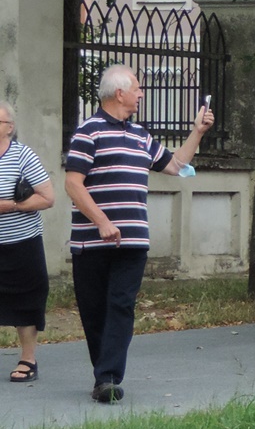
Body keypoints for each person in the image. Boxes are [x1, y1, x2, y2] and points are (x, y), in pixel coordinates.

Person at [65, 64, 213, 402]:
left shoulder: (140, 134)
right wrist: (102, 221)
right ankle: (104, 374)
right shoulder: (88, 132)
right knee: (94, 311)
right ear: (120, 93)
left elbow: (176, 166)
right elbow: (73, 184)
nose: (141, 93)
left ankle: (108, 378)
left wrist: (197, 132)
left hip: (132, 240)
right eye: (137, 88)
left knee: (121, 305)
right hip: (91, 241)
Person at [0, 103, 55, 384]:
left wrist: (10, 206)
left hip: (21, 243)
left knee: (25, 300)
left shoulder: (22, 156)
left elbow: (47, 197)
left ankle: (28, 358)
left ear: (9, 127)